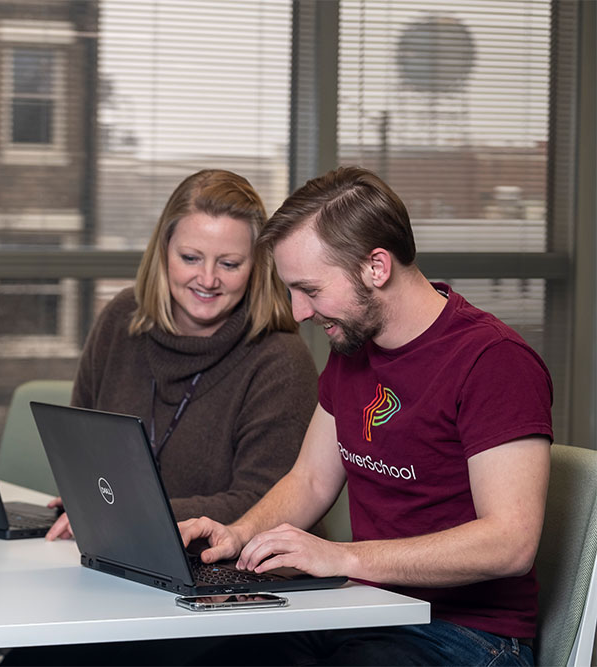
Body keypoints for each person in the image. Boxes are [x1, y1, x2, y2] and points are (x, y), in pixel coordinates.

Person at [179, 166, 553, 666]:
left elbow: (510, 543)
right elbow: (311, 480)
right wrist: (240, 534)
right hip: (364, 610)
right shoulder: (354, 347)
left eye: (310, 290)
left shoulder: (494, 361)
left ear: (376, 267)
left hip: (465, 634)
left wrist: (342, 557)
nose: (298, 312)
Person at [44, 168, 318, 541]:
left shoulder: (281, 361)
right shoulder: (121, 318)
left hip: (225, 564)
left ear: (256, 267)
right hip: (112, 545)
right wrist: (89, 500)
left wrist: (129, 510)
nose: (207, 279)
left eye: (229, 264)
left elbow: (264, 504)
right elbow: (79, 448)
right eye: (190, 258)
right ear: (163, 253)